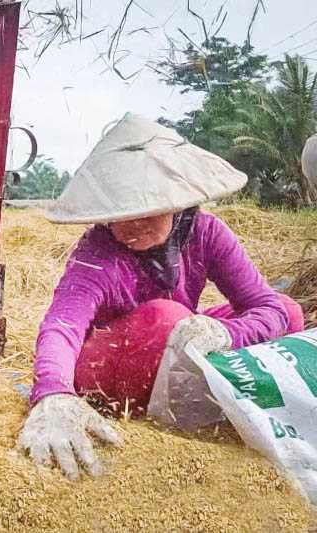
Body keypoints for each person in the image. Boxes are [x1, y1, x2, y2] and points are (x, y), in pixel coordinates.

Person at [18, 113, 305, 481]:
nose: (132, 226)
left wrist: (227, 334)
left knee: (289, 310)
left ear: (177, 203)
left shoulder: (206, 233)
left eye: (146, 211)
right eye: (121, 215)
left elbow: (266, 306)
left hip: (172, 350)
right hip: (110, 362)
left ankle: (220, 404)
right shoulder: (97, 253)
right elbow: (61, 327)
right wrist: (53, 393)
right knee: (167, 318)